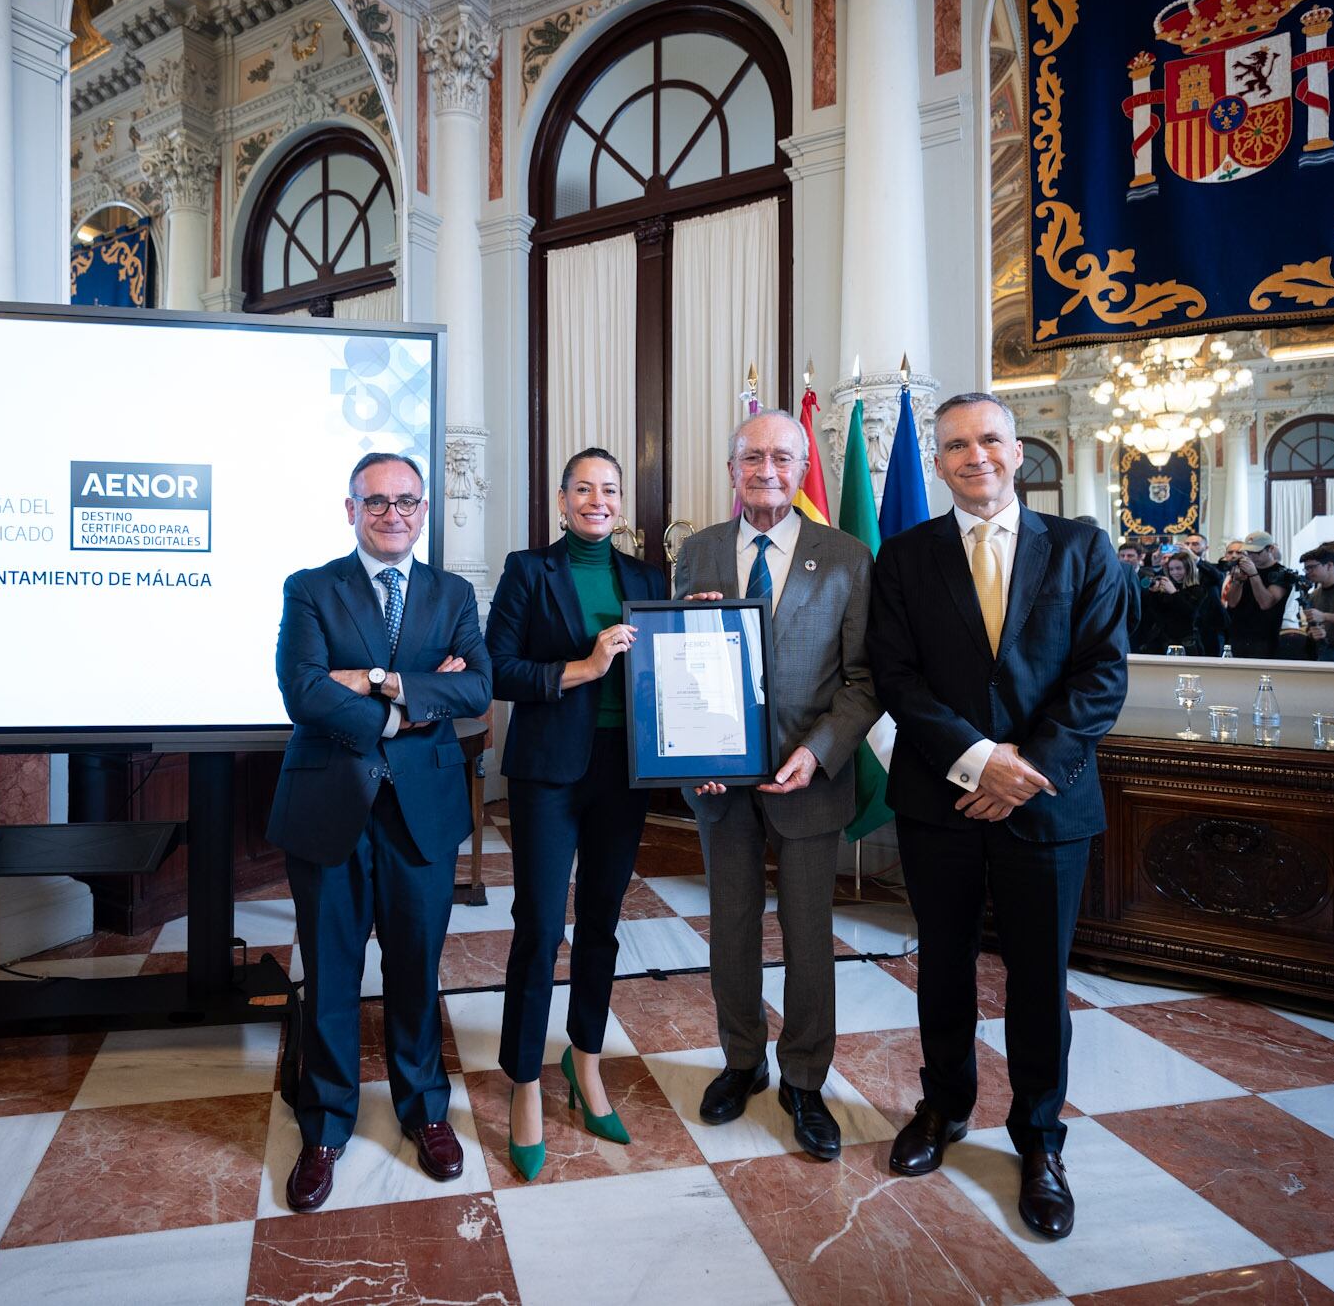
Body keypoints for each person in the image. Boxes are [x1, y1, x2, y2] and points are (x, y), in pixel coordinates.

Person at [867, 392, 1132, 1241]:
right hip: (940, 798)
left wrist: (1025, 772)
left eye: (989, 440)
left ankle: (1040, 1142)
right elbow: (897, 677)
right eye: (954, 445)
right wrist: (981, 762)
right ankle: (942, 1107)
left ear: (1018, 452)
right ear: (938, 462)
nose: (973, 455)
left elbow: (1101, 676)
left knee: (1037, 979)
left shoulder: (1084, 546)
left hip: (1049, 806)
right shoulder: (904, 556)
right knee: (942, 965)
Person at [267, 451, 493, 1213]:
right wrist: (414, 705)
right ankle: (326, 1123)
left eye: (406, 501)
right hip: (329, 807)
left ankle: (425, 1108)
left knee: (415, 971)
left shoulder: (452, 591)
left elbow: (478, 686)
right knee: (331, 974)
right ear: (351, 508)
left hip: (420, 816)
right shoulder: (311, 588)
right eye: (376, 502)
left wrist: (376, 681)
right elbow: (302, 690)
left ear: (424, 509)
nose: (392, 513)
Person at [671, 409, 879, 1162]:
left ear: (801, 470)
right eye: (752, 457)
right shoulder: (695, 554)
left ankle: (804, 1079)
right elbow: (677, 660)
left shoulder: (849, 555)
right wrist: (688, 746)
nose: (767, 470)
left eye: (783, 458)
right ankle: (741, 1059)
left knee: (807, 934)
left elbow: (863, 681)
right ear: (732, 470)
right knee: (730, 926)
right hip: (718, 782)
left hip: (808, 781)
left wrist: (820, 752)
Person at [487, 448, 667, 1180]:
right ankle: (525, 1081)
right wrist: (584, 669)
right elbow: (497, 669)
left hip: (623, 773)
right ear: (562, 500)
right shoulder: (529, 570)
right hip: (548, 774)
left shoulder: (649, 578)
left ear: (621, 505)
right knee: (538, 927)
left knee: (601, 923)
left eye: (610, 490)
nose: (598, 500)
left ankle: (585, 1059)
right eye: (584, 488)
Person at [1135, 548, 1224, 655]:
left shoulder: (1198, 589)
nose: (1174, 572)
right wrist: (1154, 593)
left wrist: (1173, 593)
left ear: (1188, 569)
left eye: (1178, 568)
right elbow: (1157, 614)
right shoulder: (1167, 588)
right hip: (1164, 641)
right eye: (1171, 569)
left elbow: (1190, 614)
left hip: (1188, 643)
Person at [1221, 531, 1293, 657]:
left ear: (1270, 549)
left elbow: (1266, 603)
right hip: (1237, 634)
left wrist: (1254, 575)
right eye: (1248, 552)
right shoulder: (1244, 569)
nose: (1252, 557)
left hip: (1265, 638)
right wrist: (1237, 581)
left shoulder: (1282, 573)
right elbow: (1231, 603)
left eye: (1256, 552)